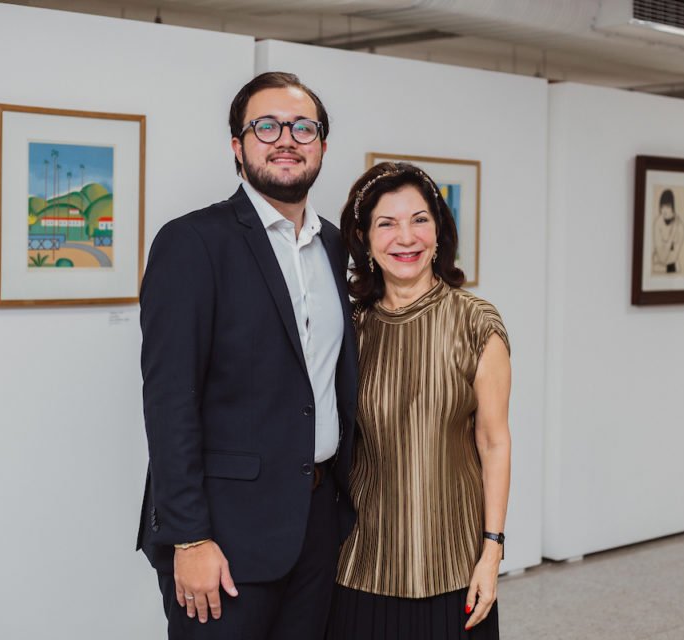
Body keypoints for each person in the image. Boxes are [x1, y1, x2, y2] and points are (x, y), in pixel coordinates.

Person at [136, 71, 357, 640]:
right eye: (266, 126)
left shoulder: (336, 246)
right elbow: (169, 400)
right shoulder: (193, 243)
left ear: (322, 146)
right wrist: (189, 537)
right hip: (222, 536)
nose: (286, 138)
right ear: (238, 145)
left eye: (303, 127)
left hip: (315, 526)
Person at [327, 162, 513, 639]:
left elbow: (494, 442)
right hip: (362, 567)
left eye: (419, 219)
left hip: (454, 568)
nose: (405, 237)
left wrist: (492, 551)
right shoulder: (348, 328)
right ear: (364, 238)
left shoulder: (477, 324)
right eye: (386, 223)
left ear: (439, 230)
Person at [652, 188, 684, 274]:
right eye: (662, 206)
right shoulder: (657, 222)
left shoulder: (680, 226)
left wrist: (660, 263)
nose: (664, 210)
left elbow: (670, 258)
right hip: (660, 268)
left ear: (673, 207)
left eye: (667, 206)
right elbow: (662, 257)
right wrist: (672, 236)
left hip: (670, 268)